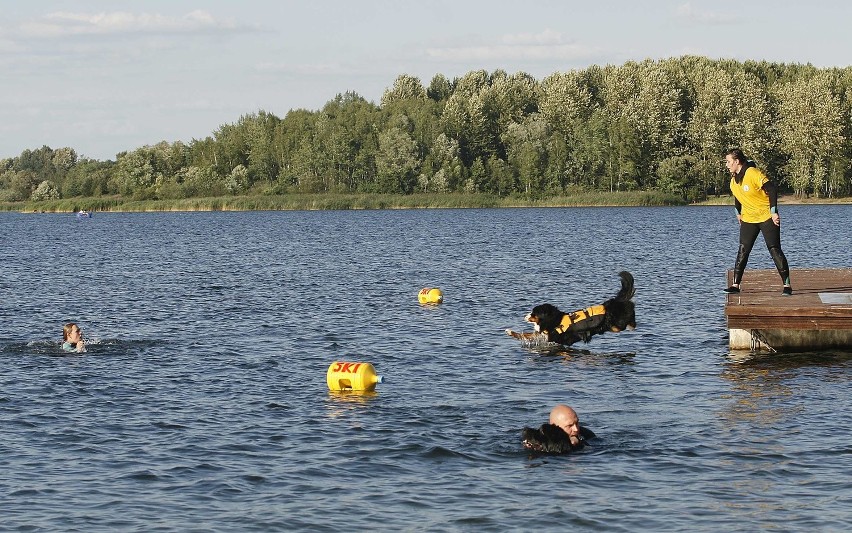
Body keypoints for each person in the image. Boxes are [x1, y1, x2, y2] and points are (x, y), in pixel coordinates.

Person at [722, 148, 793, 296]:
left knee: (774, 249)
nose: (727, 165)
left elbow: (772, 189)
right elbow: (737, 197)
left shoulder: (753, 173)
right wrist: (738, 213)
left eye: (728, 162)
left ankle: (787, 285)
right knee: (743, 250)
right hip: (749, 219)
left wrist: (773, 212)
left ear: (736, 161)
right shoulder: (733, 181)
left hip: (767, 217)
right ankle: (735, 285)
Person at [521, 404, 596, 453]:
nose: (576, 429)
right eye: (569, 426)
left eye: (576, 423)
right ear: (554, 427)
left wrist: (578, 443)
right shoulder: (545, 436)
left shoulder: (587, 434)